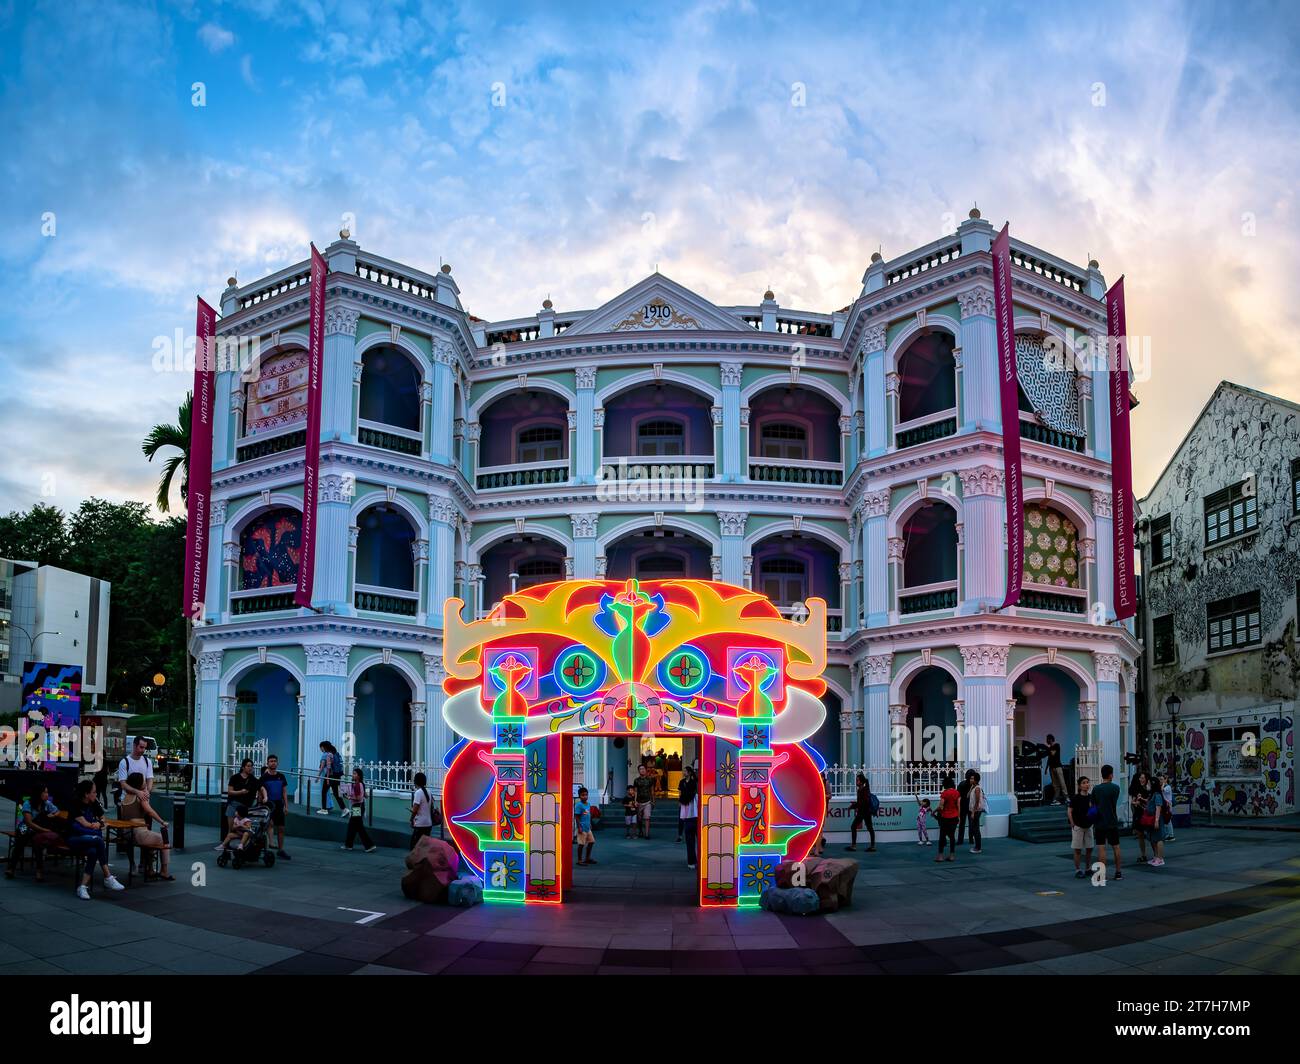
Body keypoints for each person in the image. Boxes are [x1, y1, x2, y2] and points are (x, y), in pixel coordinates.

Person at [67, 779, 125, 899]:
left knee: (93, 852)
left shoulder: (93, 802)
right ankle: (108, 876)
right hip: (74, 838)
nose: (96, 794)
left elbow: (103, 818)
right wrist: (97, 824)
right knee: (98, 841)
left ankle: (82, 887)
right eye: (94, 792)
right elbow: (85, 824)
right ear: (86, 794)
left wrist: (99, 823)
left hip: (89, 837)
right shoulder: (75, 803)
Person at [118, 772, 174, 880]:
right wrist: (162, 822)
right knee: (164, 840)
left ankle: (151, 869)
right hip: (140, 833)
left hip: (127, 834)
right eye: (143, 780)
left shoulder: (124, 800)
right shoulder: (140, 797)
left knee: (152, 842)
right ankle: (164, 871)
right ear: (139, 783)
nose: (145, 782)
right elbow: (150, 812)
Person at [5, 782, 63, 881]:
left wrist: (53, 815)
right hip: (25, 827)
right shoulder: (28, 804)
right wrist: (45, 830)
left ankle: (39, 871)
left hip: (38, 830)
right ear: (38, 793)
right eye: (45, 792)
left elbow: (58, 811)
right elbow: (29, 823)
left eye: (47, 792)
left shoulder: (47, 804)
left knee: (38, 843)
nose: (47, 795)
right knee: (20, 841)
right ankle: (11, 868)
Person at [257, 753, 292, 859]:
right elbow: (260, 792)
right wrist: (259, 805)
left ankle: (281, 850)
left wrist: (286, 806)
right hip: (268, 805)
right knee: (269, 824)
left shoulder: (281, 776)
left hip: (279, 804)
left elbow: (284, 792)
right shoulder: (263, 777)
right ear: (267, 763)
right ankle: (269, 846)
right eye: (271, 761)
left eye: (275, 761)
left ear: (277, 763)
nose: (273, 763)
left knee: (281, 828)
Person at [1092, 764, 1123, 881]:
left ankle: (1102, 874)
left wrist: (1091, 819)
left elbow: (1093, 807)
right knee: (1116, 847)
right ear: (1111, 775)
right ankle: (1118, 872)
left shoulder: (1096, 789)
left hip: (1100, 822)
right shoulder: (1116, 788)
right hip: (1112, 821)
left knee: (1101, 848)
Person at [341, 768, 377, 852]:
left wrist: (348, 797)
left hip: (357, 807)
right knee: (352, 825)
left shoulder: (357, 785)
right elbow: (366, 796)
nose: (353, 775)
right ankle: (349, 845)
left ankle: (369, 845)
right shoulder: (361, 784)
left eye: (355, 774)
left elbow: (358, 798)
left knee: (358, 826)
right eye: (353, 773)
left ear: (359, 776)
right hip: (360, 806)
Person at [115, 736, 154, 810]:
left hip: (144, 801)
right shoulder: (124, 762)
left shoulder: (147, 761)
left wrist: (148, 791)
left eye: (145, 748)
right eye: (141, 747)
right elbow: (123, 784)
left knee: (146, 820)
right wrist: (137, 792)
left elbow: (150, 779)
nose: (143, 750)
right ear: (134, 745)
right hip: (128, 802)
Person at [1067, 775, 1095, 878]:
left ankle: (1088, 868)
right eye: (1084, 783)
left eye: (1087, 782)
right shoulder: (1075, 798)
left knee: (1089, 848)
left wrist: (1093, 820)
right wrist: (1072, 823)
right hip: (1078, 826)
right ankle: (1078, 869)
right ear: (1079, 786)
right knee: (1077, 849)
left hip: (1088, 825)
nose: (1086, 784)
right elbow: (1069, 811)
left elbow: (1093, 810)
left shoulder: (1091, 797)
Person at [846, 773, 876, 852]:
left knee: (854, 827)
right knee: (869, 828)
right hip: (865, 812)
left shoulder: (863, 790)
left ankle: (854, 846)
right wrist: (854, 806)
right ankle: (872, 846)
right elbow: (861, 802)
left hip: (863, 812)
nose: (856, 782)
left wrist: (853, 806)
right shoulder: (862, 789)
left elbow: (862, 802)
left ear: (861, 782)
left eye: (857, 780)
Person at [1146, 773, 1170, 867]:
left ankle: (1160, 858)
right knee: (1153, 839)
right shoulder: (1152, 794)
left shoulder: (1157, 795)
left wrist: (1156, 820)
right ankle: (1156, 857)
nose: (1147, 785)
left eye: (1149, 783)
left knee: (1159, 838)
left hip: (1157, 819)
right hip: (1151, 818)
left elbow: (1158, 807)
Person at [935, 775, 960, 862]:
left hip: (945, 817)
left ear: (944, 784)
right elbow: (958, 806)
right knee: (952, 836)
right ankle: (952, 855)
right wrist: (958, 816)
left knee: (942, 836)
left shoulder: (944, 793)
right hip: (954, 817)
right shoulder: (957, 793)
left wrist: (934, 811)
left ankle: (940, 856)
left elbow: (941, 807)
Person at [1129, 770, 1152, 864]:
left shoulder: (1149, 789)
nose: (1141, 779)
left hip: (1148, 813)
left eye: (1143, 778)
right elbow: (1133, 802)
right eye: (1140, 778)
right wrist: (1136, 803)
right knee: (1140, 835)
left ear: (1146, 779)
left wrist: (1142, 800)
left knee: (1151, 835)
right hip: (1139, 814)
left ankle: (1156, 855)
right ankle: (1143, 855)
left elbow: (1150, 801)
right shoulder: (1137, 790)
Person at [678, 765, 699, 868]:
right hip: (686, 810)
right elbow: (680, 793)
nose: (684, 772)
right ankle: (691, 861)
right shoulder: (682, 782)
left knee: (696, 838)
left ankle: (698, 860)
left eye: (685, 771)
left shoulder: (695, 783)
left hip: (694, 811)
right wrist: (680, 801)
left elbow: (692, 794)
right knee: (689, 838)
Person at [317, 741, 344, 815]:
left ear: (324, 747)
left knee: (324, 792)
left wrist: (327, 778)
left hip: (331, 775)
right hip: (337, 775)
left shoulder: (329, 754)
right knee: (336, 793)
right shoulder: (336, 753)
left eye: (355, 774)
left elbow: (328, 768)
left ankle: (324, 809)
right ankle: (345, 809)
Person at [410, 771, 435, 850]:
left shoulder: (418, 793)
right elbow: (431, 807)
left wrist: (411, 819)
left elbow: (415, 809)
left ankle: (416, 862)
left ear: (416, 781)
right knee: (425, 848)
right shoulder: (429, 792)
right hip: (428, 823)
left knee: (414, 846)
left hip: (420, 824)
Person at [573, 786, 596, 866]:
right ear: (579, 796)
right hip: (582, 828)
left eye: (586, 795)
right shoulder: (579, 805)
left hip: (587, 827)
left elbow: (587, 815)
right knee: (581, 844)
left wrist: (590, 824)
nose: (585, 796)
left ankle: (587, 858)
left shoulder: (588, 804)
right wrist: (579, 827)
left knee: (591, 842)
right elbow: (577, 817)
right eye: (583, 795)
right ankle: (579, 860)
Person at [1044, 733, 1068, 804]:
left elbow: (1053, 753)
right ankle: (1056, 798)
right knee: (1055, 784)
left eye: (1047, 739)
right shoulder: (1049, 749)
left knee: (1062, 782)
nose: (1046, 741)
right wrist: (1046, 768)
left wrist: (1047, 749)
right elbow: (1049, 758)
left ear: (1050, 739)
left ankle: (1066, 797)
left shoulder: (1057, 745)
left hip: (1058, 767)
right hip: (1051, 768)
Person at [633, 763, 655, 838]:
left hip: (648, 801)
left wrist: (653, 801)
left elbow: (652, 791)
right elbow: (635, 791)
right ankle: (640, 831)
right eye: (640, 769)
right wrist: (635, 801)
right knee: (639, 818)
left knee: (647, 817)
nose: (642, 770)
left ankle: (647, 834)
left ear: (646, 770)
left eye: (643, 769)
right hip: (639, 801)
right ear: (638, 771)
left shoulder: (650, 779)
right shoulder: (636, 780)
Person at [968, 771, 986, 854]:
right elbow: (967, 796)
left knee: (976, 829)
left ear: (976, 780)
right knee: (975, 828)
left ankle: (978, 848)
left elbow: (977, 800)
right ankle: (977, 846)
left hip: (976, 811)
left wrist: (973, 812)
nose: (970, 780)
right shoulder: (974, 787)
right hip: (975, 811)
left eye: (972, 778)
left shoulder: (977, 788)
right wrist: (971, 787)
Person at [956, 769, 975, 845]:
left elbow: (958, 796)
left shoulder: (961, 784)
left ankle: (960, 840)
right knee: (971, 824)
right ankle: (971, 840)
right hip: (971, 806)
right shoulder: (974, 785)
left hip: (963, 806)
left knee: (962, 824)